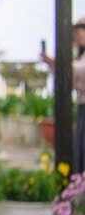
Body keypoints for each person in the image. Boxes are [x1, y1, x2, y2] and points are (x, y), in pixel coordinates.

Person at [41, 16, 85, 174]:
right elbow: (70, 79)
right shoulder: (79, 56)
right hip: (82, 107)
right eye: (77, 34)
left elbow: (79, 71)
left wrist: (59, 63)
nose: (79, 36)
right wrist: (56, 65)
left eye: (81, 32)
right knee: (80, 149)